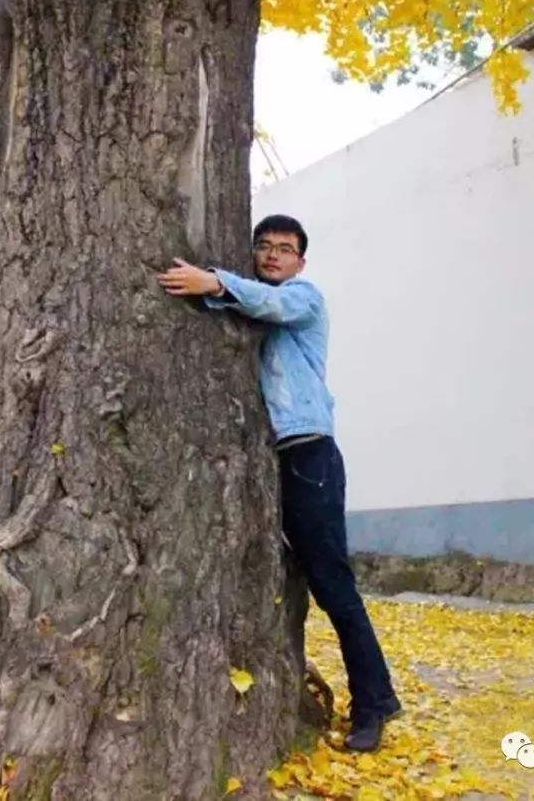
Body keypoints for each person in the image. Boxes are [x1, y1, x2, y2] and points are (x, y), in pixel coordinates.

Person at [156, 214, 401, 752]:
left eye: (284, 249)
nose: (272, 256)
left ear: (300, 261)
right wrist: (214, 289)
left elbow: (268, 302)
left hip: (310, 454)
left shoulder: (304, 299)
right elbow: (240, 303)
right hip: (277, 461)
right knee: (305, 576)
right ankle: (372, 696)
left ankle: (374, 704)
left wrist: (214, 281)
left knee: (333, 584)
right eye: (263, 247)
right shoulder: (251, 304)